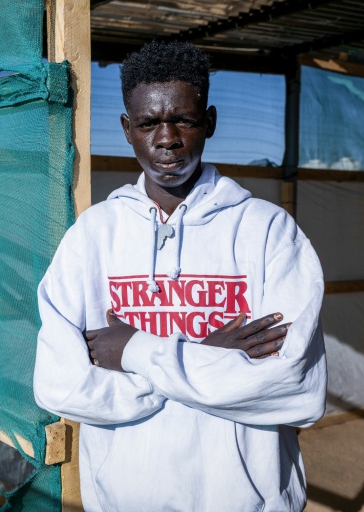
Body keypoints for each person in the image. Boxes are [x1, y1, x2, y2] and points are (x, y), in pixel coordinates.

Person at [34, 41, 327, 511]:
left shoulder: (268, 231)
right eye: (149, 123)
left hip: (243, 500)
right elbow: (61, 386)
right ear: (128, 130)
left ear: (208, 122)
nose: (166, 138)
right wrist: (205, 358)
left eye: (183, 120)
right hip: (126, 498)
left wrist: (135, 350)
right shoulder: (93, 236)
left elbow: (296, 389)